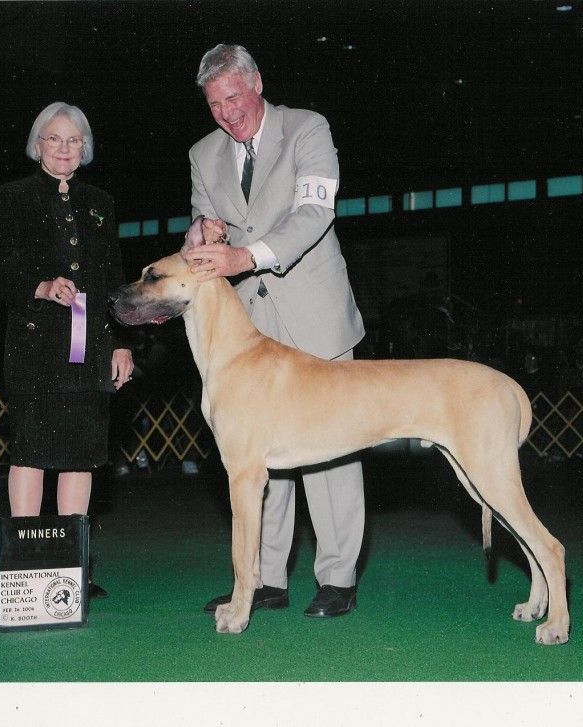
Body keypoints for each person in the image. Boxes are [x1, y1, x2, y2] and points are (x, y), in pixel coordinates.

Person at [186, 44, 366, 619]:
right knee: (255, 454)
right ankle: (264, 580)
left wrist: (245, 256)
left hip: (315, 311)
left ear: (257, 83)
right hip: (249, 327)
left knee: (331, 452)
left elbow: (314, 213)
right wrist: (203, 235)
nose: (227, 112)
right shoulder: (203, 154)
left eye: (233, 97)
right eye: (215, 104)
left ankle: (336, 578)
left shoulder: (307, 128)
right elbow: (200, 229)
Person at [0, 102, 134, 598]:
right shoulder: (10, 198)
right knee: (30, 451)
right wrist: (41, 286)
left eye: (73, 140)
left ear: (84, 147)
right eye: (54, 138)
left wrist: (122, 342)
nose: (64, 148)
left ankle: (72, 568)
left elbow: (114, 278)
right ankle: (24, 567)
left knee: (81, 456)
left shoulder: (101, 202)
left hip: (90, 350)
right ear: (37, 144)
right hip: (34, 348)